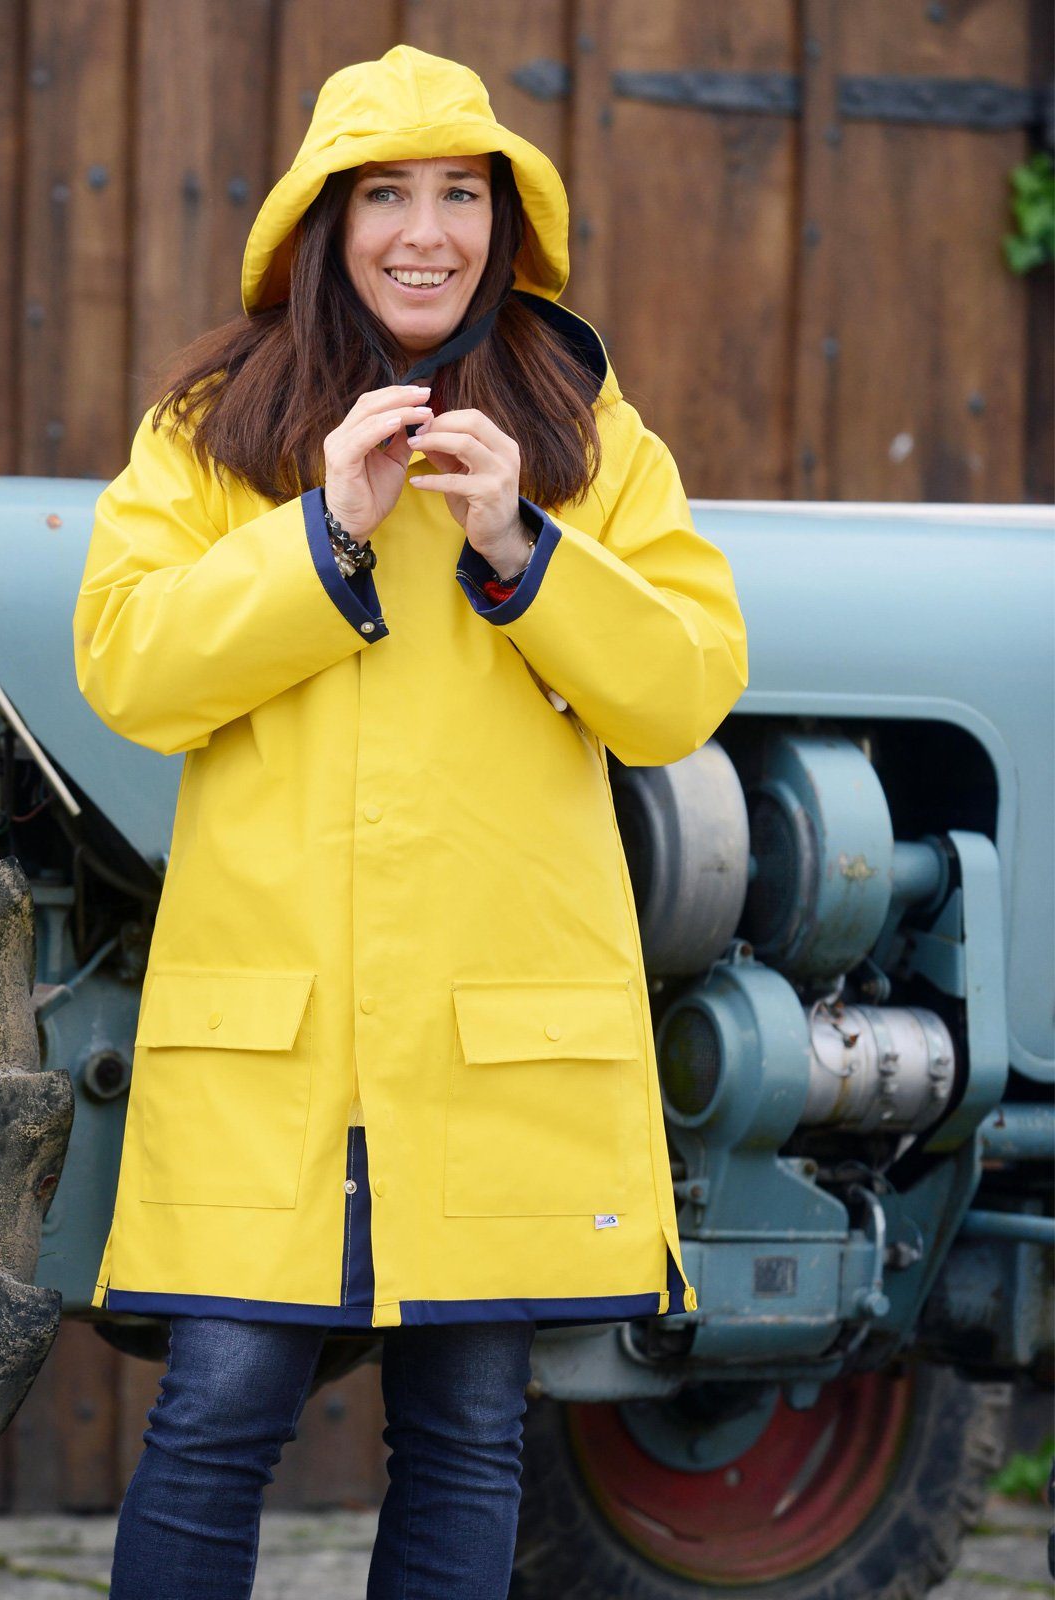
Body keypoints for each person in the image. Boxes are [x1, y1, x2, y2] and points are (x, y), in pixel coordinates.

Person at [71, 43, 748, 1600]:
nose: (424, 232)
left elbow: (684, 691)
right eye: (386, 195)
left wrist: (521, 541)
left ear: (508, 225)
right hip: (279, 1042)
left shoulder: (591, 437)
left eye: (460, 194)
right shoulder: (208, 432)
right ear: (324, 225)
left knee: (465, 1434)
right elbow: (132, 664)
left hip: (491, 1043)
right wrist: (326, 532)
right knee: (218, 1410)